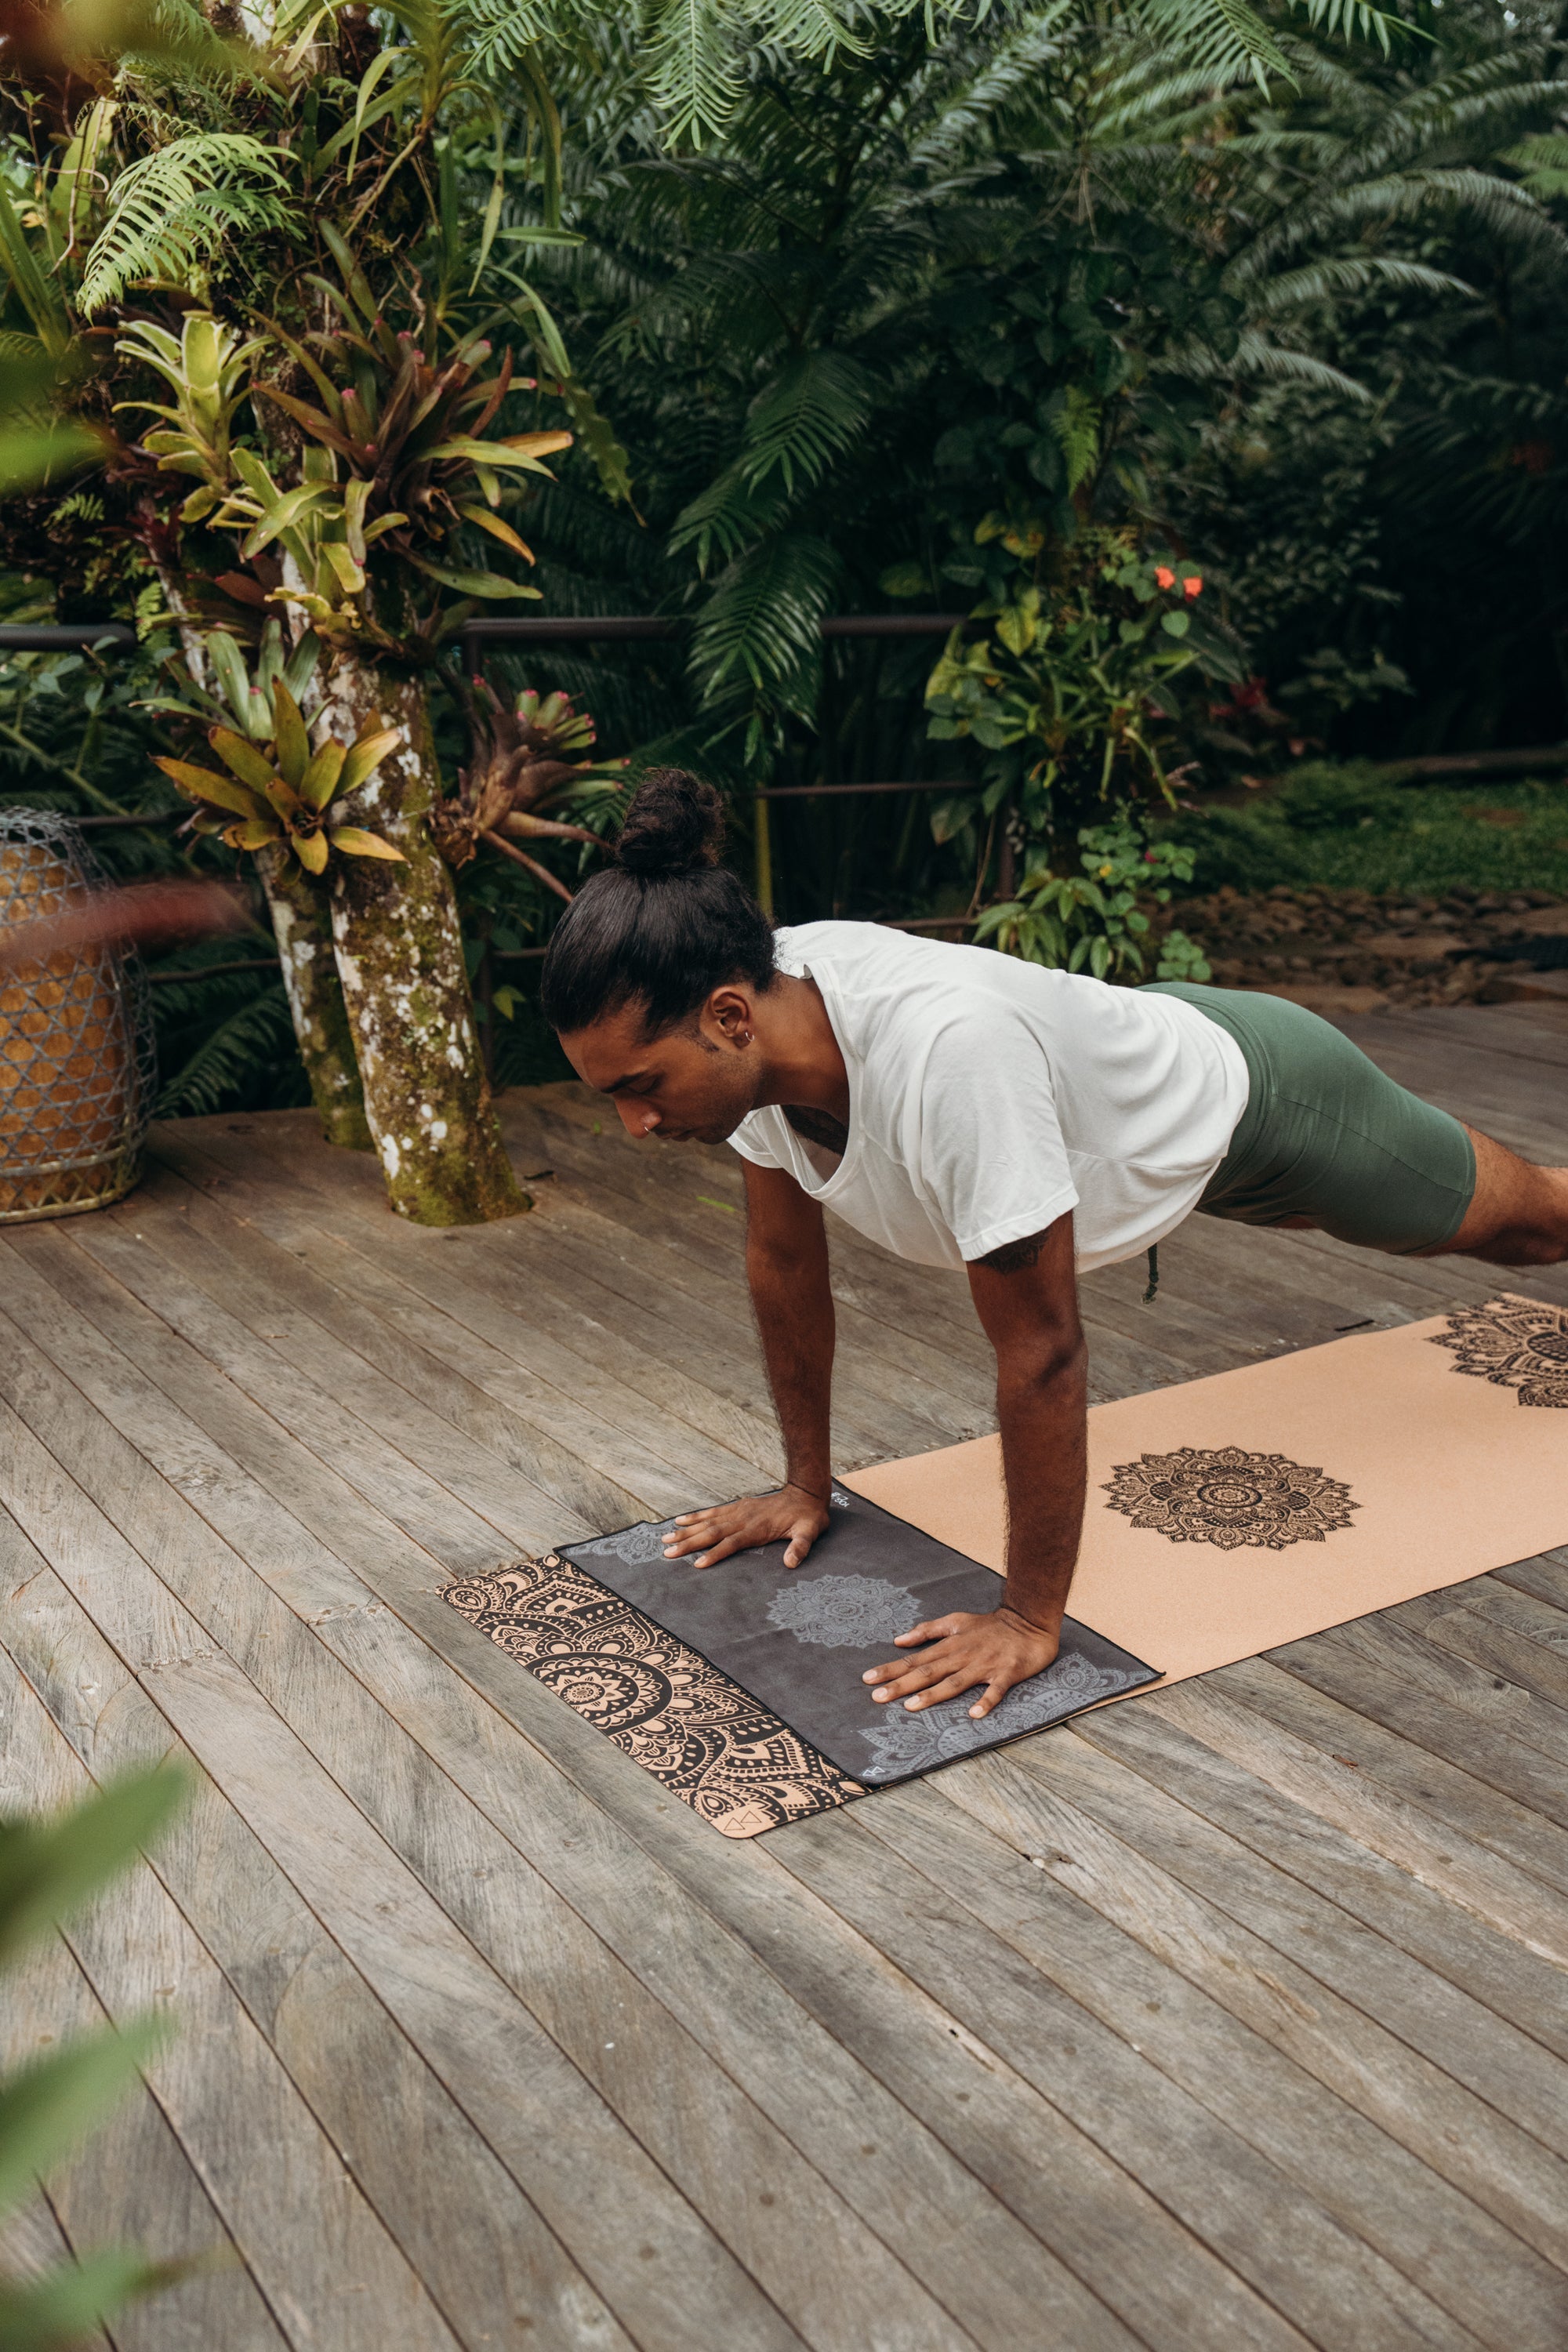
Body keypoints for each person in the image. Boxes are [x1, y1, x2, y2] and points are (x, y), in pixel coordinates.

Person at [542, 768, 1568, 1726]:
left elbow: (1044, 1350)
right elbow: (785, 1265)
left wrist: (1030, 1619)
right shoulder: (751, 1041)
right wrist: (805, 1486)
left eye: (641, 1085)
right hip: (1145, 1125)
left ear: (729, 1018)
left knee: (1532, 1232)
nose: (635, 1124)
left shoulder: (950, 1055)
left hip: (1271, 1099)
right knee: (1380, 1221)